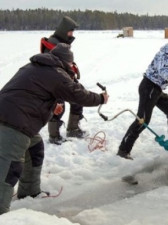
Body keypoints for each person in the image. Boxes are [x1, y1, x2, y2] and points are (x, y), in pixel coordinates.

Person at [0, 43, 109, 215]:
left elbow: (30, 96)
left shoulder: (33, 67)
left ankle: (29, 191)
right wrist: (101, 99)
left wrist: (51, 109)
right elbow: (78, 94)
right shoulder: (56, 73)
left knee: (35, 148)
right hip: (13, 124)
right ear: (67, 63)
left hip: (11, 116)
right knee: (8, 172)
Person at [117, 34, 168, 160]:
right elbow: (164, 72)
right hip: (149, 87)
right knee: (142, 120)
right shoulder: (165, 54)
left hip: (157, 89)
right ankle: (123, 150)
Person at [40, 16, 85, 144]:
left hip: (65, 77)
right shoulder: (53, 43)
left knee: (78, 98)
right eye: (70, 32)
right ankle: (54, 136)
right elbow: (51, 66)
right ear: (64, 31)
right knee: (59, 106)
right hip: (54, 81)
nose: (72, 34)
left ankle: (73, 129)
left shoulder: (60, 41)